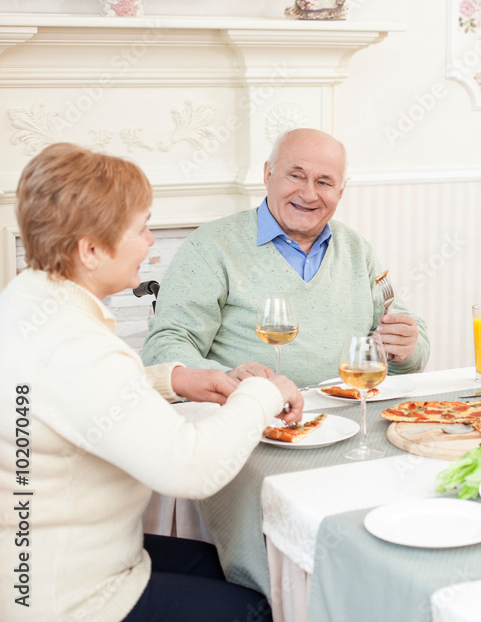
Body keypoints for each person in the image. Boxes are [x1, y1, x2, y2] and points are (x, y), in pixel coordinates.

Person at [0, 143, 304, 621]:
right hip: (68, 599)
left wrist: (175, 379)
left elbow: (72, 396)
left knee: (234, 564)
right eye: (140, 228)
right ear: (92, 250)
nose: (150, 243)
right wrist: (263, 393)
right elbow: (192, 469)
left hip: (36, 565)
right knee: (256, 605)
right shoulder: (76, 347)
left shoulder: (28, 301)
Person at [142, 128, 430, 385]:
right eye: (296, 175)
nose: (308, 194)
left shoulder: (356, 249)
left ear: (341, 191)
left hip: (348, 413)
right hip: (247, 415)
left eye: (324, 182)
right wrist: (224, 378)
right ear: (268, 174)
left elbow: (412, 349)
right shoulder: (211, 246)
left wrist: (405, 350)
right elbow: (165, 347)